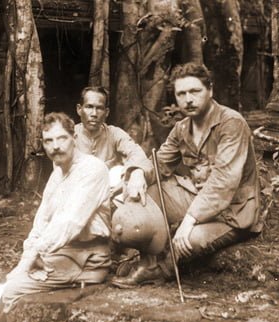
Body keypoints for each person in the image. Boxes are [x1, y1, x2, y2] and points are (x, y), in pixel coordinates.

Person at [0, 112, 112, 322]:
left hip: (87, 258)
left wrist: (29, 264)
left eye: (61, 138)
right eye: (48, 141)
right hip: (62, 254)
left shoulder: (92, 170)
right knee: (8, 285)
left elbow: (68, 223)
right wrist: (27, 258)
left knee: (12, 289)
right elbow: (41, 223)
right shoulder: (58, 174)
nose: (55, 146)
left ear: (74, 137)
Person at [112, 62, 261, 288]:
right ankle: (147, 263)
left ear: (210, 90)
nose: (188, 99)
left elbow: (224, 182)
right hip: (199, 200)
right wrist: (138, 173)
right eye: (181, 94)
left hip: (233, 211)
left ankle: (162, 270)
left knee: (190, 240)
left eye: (195, 91)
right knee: (143, 195)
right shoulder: (182, 128)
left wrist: (189, 221)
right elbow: (159, 163)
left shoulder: (231, 123)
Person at [75, 86, 153, 205]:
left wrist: (134, 174)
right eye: (89, 107)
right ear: (79, 109)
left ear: (106, 112)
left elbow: (137, 153)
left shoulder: (114, 133)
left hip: (108, 196)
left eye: (99, 108)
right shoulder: (69, 136)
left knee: (117, 172)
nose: (94, 114)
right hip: (78, 195)